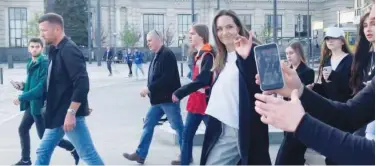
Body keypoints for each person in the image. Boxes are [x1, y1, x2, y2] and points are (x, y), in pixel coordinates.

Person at [200, 10, 271, 165]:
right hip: (221, 124)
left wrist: (246, 59)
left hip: (240, 127)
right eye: (219, 29)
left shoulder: (254, 51)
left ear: (238, 27)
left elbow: (263, 90)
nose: (224, 32)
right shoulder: (223, 57)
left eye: (229, 27)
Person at [35, 13, 104, 165]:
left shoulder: (69, 50)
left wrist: (72, 112)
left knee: (88, 154)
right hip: (58, 113)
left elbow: (82, 83)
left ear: (57, 29)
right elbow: (62, 83)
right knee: (42, 151)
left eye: (44, 30)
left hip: (68, 116)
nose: (41, 35)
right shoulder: (55, 49)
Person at [11, 38, 79, 165]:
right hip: (31, 104)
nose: (34, 49)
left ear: (42, 48)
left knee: (44, 138)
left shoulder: (44, 63)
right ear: (28, 49)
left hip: (40, 106)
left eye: (37, 46)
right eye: (32, 46)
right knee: (23, 129)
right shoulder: (31, 63)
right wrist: (22, 85)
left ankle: (73, 148)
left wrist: (21, 97)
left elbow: (41, 88)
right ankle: (26, 159)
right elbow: (33, 85)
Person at [122, 30, 184, 164]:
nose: (147, 43)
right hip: (158, 100)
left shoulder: (167, 54)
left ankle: (186, 155)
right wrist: (150, 90)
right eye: (147, 41)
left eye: (150, 40)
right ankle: (140, 154)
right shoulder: (157, 55)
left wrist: (149, 88)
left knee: (177, 126)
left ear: (159, 39)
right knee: (148, 124)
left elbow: (166, 78)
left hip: (168, 100)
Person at [170, 24, 215, 165]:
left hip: (206, 103)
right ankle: (185, 161)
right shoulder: (201, 54)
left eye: (192, 33)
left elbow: (203, 80)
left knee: (214, 137)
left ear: (201, 36)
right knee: (187, 136)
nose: (189, 36)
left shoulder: (208, 55)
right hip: (197, 102)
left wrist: (180, 92)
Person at [275, 41, 315, 165]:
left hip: (299, 116)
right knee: (294, 156)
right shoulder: (288, 71)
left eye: (291, 53)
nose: (288, 56)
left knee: (285, 156)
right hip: (287, 115)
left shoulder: (307, 71)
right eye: (287, 53)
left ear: (298, 53)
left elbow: (302, 94)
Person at [349, 12, 375, 138]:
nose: (368, 29)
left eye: (373, 24)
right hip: (363, 118)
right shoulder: (365, 58)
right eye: (365, 25)